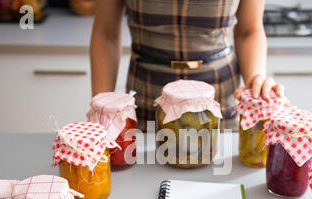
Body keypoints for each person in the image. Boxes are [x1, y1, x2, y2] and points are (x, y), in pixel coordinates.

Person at [90, 0, 285, 131]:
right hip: (147, 99)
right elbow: (106, 32)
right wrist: (101, 112)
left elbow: (249, 30)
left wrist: (255, 79)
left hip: (219, 104)